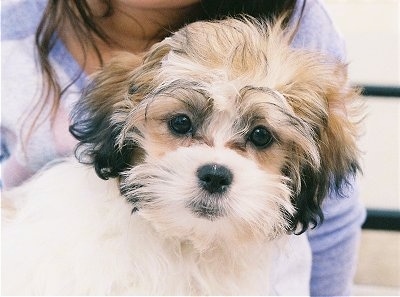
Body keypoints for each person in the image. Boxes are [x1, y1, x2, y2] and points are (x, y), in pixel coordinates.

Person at [1, 0, 366, 295]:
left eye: (259, 137)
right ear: (124, 128)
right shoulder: (12, 32)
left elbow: (333, 219)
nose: (216, 165)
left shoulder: (302, 23)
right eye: (180, 125)